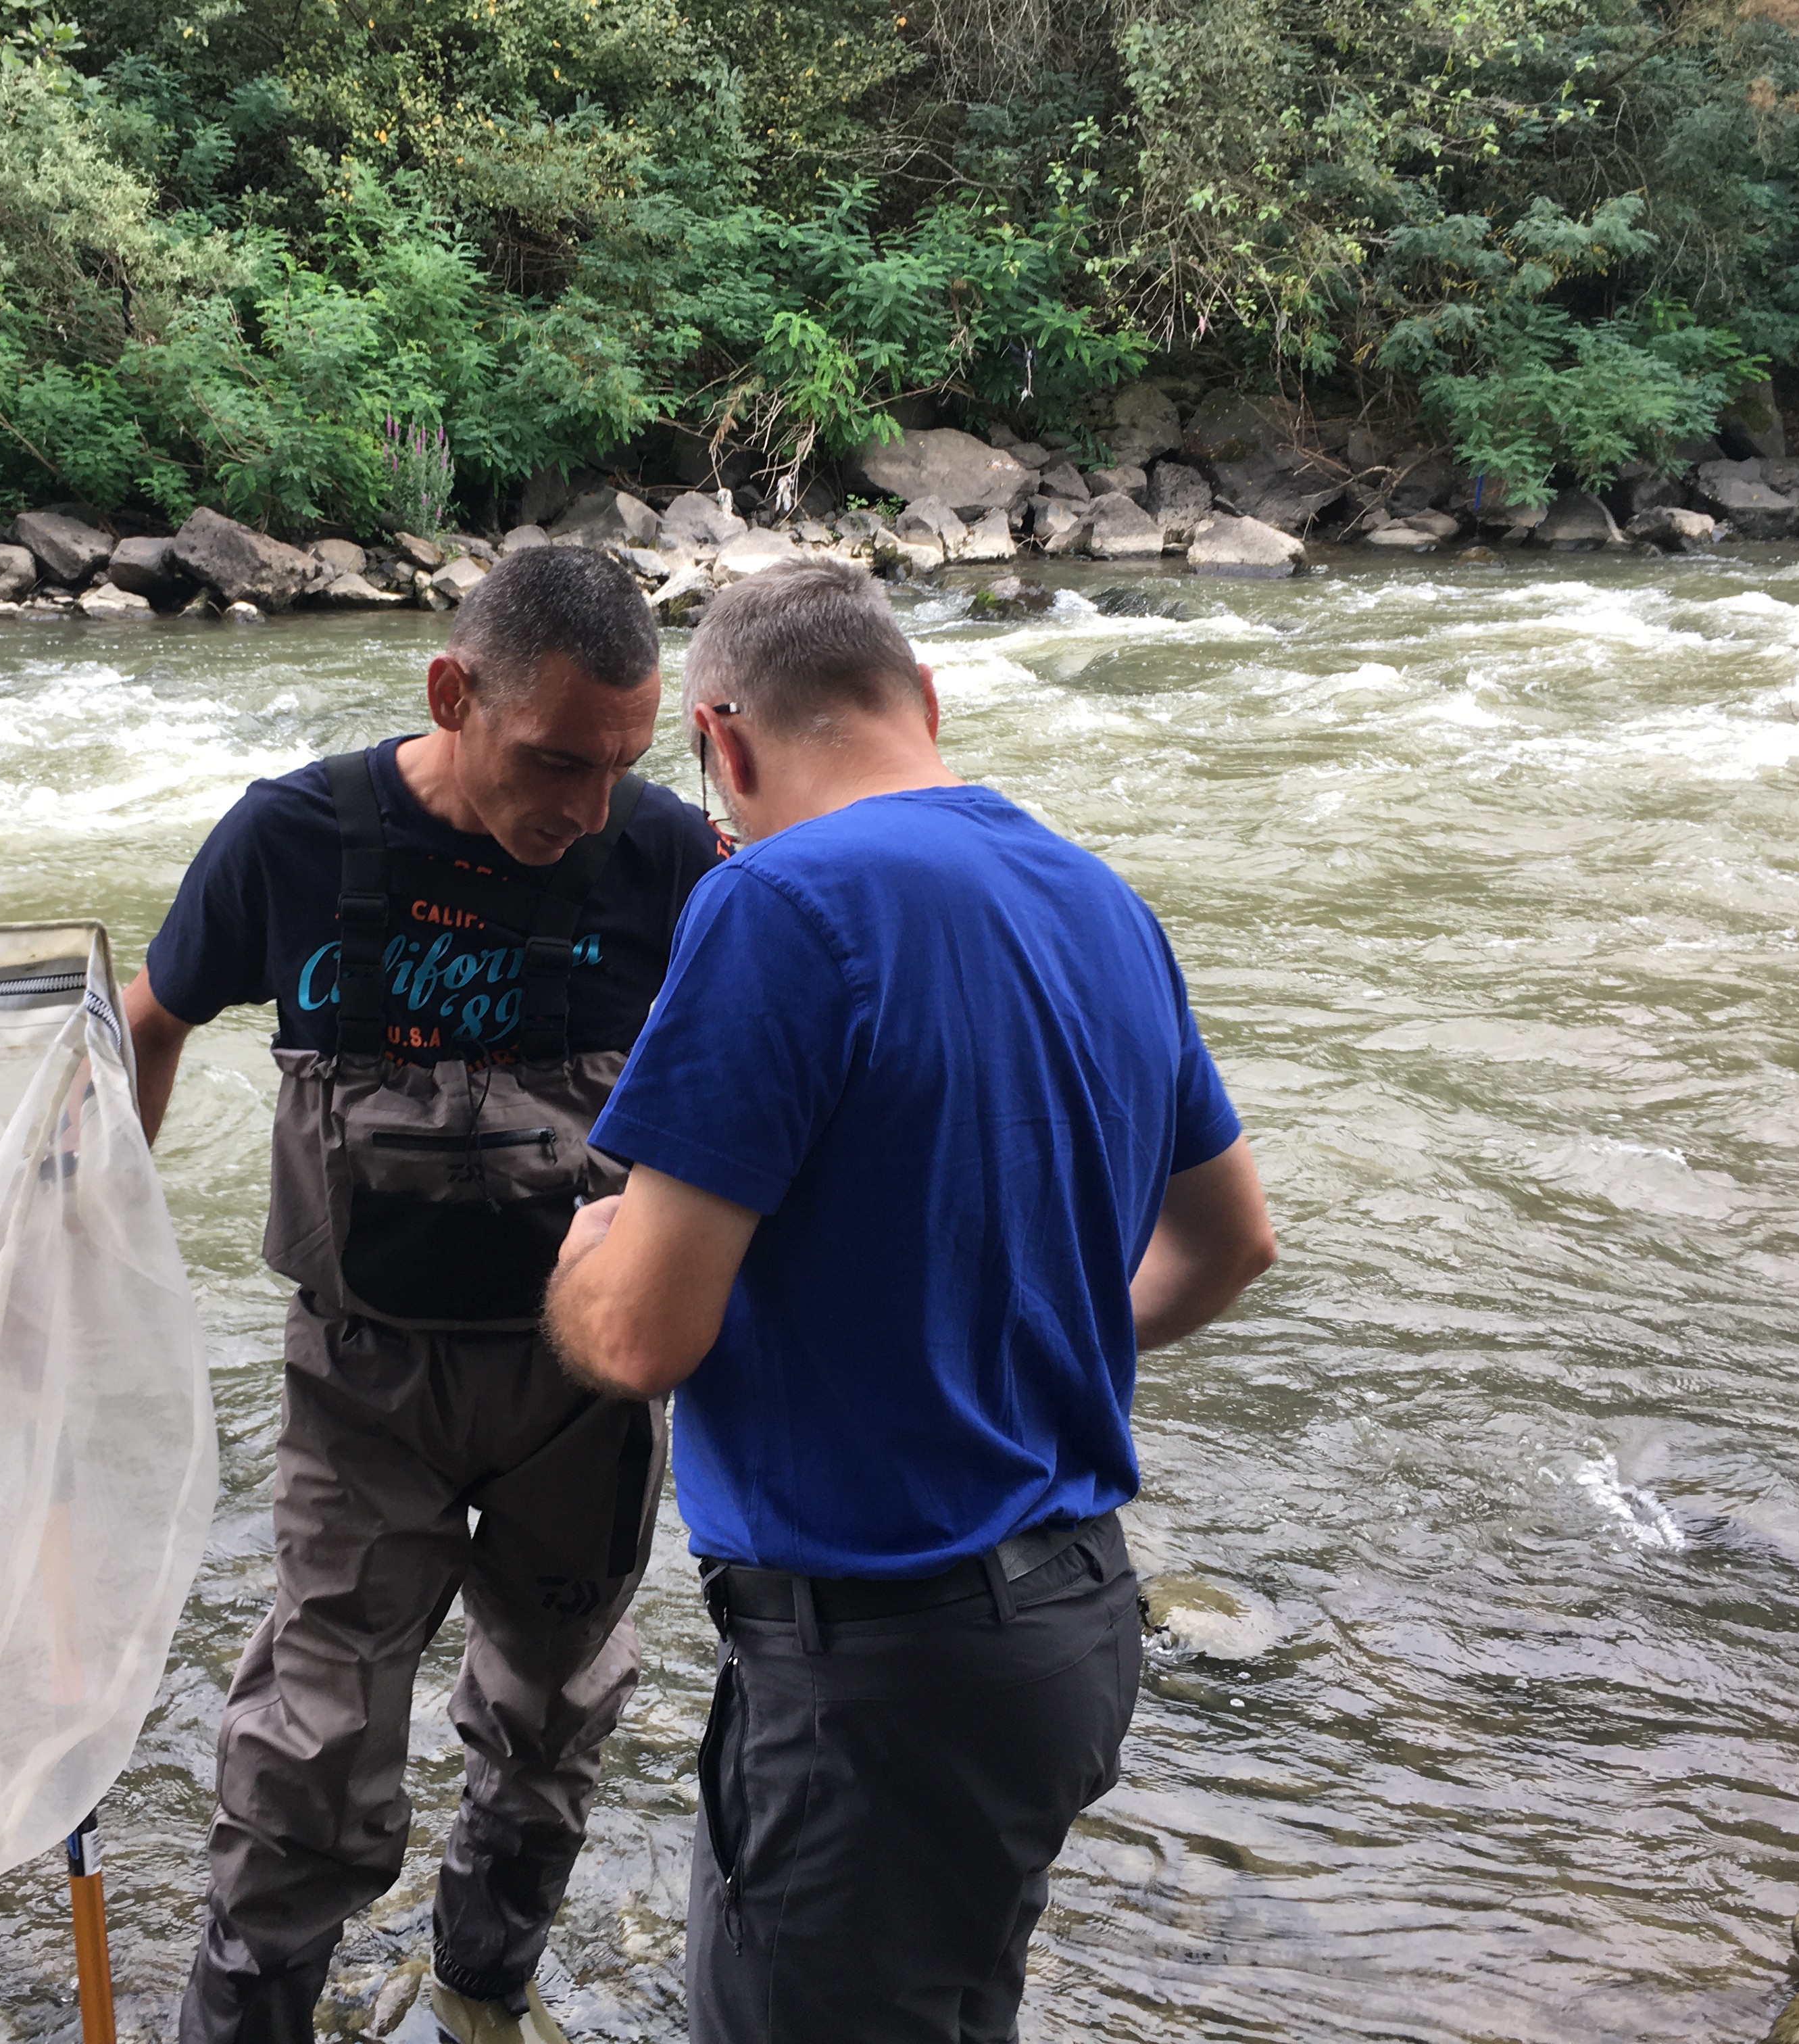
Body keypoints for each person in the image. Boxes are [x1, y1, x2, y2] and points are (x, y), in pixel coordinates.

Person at [543, 558, 1277, 2044]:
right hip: (1070, 1633)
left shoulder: (774, 902)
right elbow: (1231, 1244)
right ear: (924, 702)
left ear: (722, 746)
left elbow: (640, 1335)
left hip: (879, 1676)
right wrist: (1016, 1322)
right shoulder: (1100, 899)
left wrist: (582, 1264)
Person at [123, 545, 726, 2044]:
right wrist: (91, 1268)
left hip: (584, 1395)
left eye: (620, 765)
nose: (584, 807)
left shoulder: (671, 861)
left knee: (553, 1721)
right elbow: (146, 1019)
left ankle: (482, 1992)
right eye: (553, 761)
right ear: (453, 693)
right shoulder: (291, 837)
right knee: (308, 1746)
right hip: (359, 1387)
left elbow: (762, 1078)